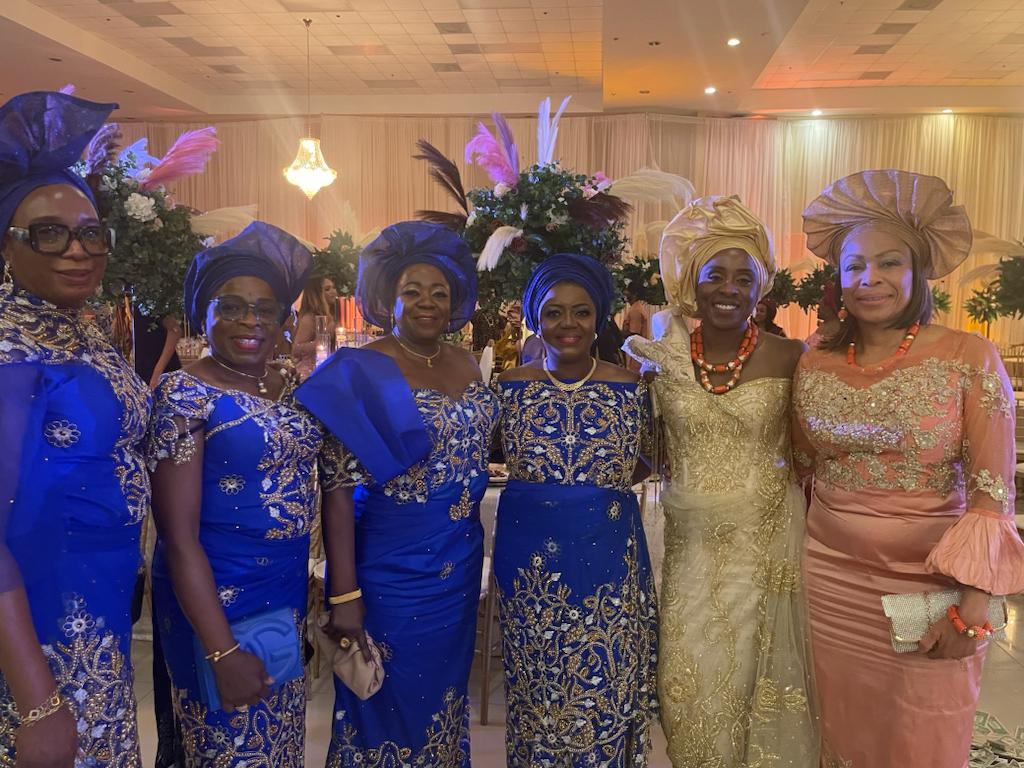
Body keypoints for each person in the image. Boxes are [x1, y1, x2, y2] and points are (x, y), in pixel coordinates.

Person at [794, 169, 1024, 768]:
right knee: (840, 730)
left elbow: (992, 495)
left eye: (888, 262)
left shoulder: (968, 356)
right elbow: (802, 466)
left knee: (923, 736)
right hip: (828, 582)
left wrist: (972, 608)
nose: (868, 278)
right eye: (853, 266)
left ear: (918, 272)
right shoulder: (815, 358)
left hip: (928, 583)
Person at [295, 221, 499, 767]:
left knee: (442, 704)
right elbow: (337, 492)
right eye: (413, 291)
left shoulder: (464, 362)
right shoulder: (358, 370)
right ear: (389, 299)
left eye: (439, 292)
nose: (427, 302)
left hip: (458, 567)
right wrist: (344, 596)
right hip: (390, 571)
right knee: (384, 703)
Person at [624, 196, 819, 767]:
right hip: (691, 554)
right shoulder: (660, 360)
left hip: (768, 550)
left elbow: (812, 452)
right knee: (686, 687)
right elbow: (642, 454)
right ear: (693, 282)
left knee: (762, 689)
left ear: (761, 289)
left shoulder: (791, 356)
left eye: (743, 277)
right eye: (715, 275)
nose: (728, 289)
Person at [0, 91, 149, 765]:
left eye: (91, 232)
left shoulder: (82, 330)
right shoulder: (10, 350)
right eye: (49, 234)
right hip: (37, 628)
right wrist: (35, 699)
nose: (77, 250)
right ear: (8, 246)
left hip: (97, 611)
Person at [147, 222, 323, 767]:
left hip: (284, 597)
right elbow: (177, 538)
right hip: (216, 603)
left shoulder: (289, 385)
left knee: (278, 745)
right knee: (230, 749)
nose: (251, 321)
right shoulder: (185, 394)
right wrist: (222, 652)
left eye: (266, 309)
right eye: (231, 307)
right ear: (202, 315)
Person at [494, 254, 658, 767]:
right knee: (538, 696)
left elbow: (648, 460)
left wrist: (594, 500)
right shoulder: (508, 389)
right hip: (531, 576)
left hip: (608, 568)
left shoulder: (630, 389)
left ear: (599, 318)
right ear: (534, 318)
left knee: (603, 685)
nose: (568, 324)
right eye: (554, 312)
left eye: (581, 312)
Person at [292, 274, 339, 375]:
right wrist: (323, 339)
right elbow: (296, 349)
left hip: (325, 367)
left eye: (333, 287)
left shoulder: (329, 314)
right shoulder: (309, 318)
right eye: (327, 289)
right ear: (316, 295)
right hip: (310, 372)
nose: (333, 291)